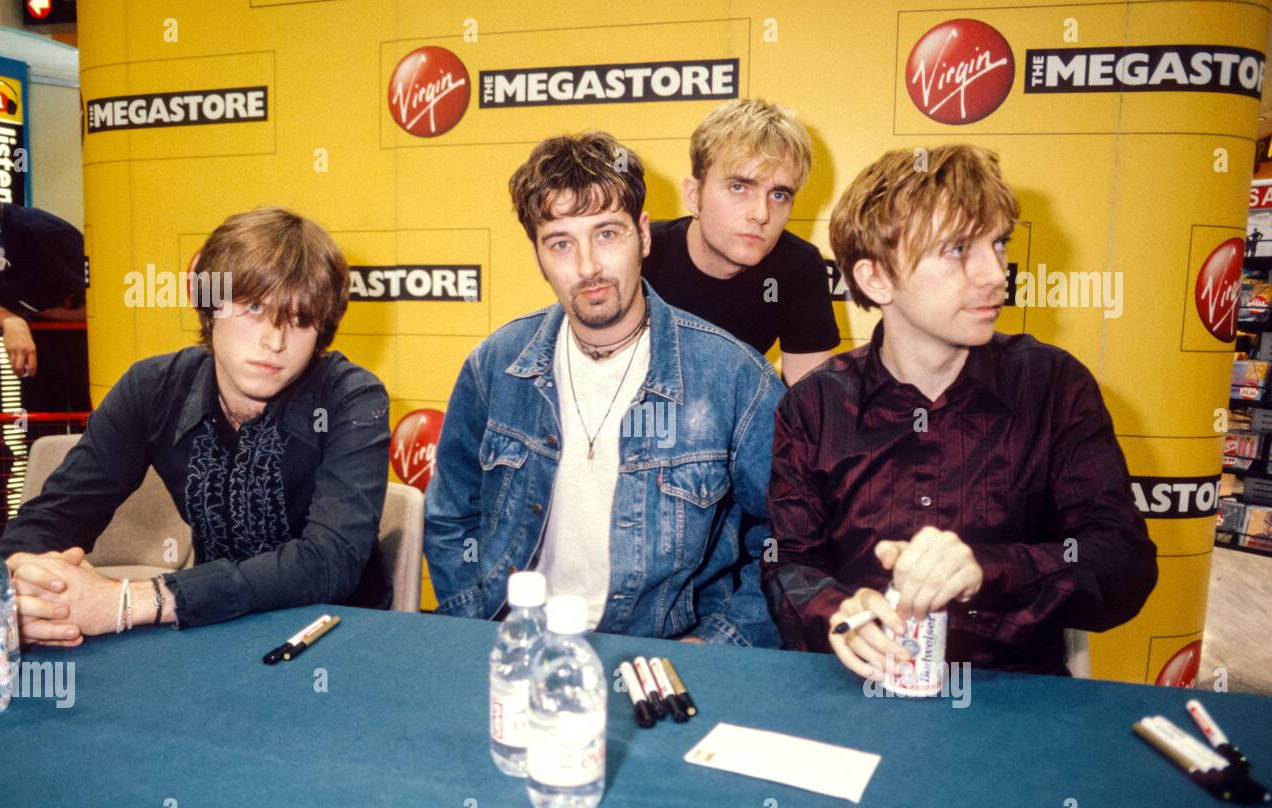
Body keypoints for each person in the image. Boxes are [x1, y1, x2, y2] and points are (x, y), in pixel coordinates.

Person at [763, 144, 1157, 675]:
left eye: (998, 244)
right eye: (957, 249)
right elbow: (791, 564)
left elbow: (1123, 563)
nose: (996, 274)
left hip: (1014, 708)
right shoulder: (814, 406)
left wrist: (987, 572)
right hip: (857, 695)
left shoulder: (1051, 385)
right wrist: (836, 610)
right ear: (876, 278)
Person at [425, 131, 784, 646]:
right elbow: (449, 515)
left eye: (607, 234)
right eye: (561, 243)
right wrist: (473, 630)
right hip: (514, 642)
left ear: (643, 234)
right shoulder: (496, 366)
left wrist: (717, 643)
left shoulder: (733, 378)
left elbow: (787, 539)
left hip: (662, 653)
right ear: (538, 255)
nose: (588, 265)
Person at [0, 207, 391, 645]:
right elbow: (55, 516)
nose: (274, 342)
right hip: (215, 631)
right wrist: (24, 588)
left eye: (299, 321)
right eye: (253, 308)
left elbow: (330, 562)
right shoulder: (152, 388)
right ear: (210, 307)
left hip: (337, 635)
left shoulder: (351, 396)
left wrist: (130, 602)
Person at [642, 99, 838, 386]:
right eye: (739, 187)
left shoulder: (797, 267)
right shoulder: (642, 254)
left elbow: (812, 408)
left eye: (779, 195)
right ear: (694, 195)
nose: (761, 214)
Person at [0, 139, 89, 402]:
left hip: (89, 372)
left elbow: (103, 304)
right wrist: (10, 320)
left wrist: (28, 312)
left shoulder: (41, 231)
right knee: (39, 439)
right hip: (37, 374)